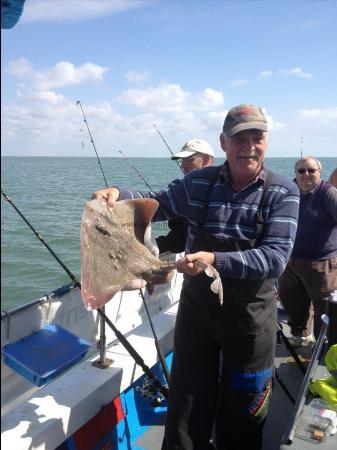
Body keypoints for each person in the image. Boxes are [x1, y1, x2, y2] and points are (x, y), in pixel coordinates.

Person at [92, 104, 300, 450]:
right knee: (186, 410)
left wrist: (214, 259)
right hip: (198, 315)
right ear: (223, 142)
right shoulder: (198, 182)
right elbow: (156, 203)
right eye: (239, 138)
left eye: (257, 137)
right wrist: (120, 194)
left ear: (267, 141)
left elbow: (274, 259)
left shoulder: (282, 192)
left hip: (250, 320)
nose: (249, 145)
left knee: (244, 413)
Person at [279, 157, 337, 347]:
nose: (306, 175)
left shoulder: (328, 194)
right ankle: (301, 335)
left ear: (320, 173)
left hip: (322, 263)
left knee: (324, 307)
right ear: (295, 174)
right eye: (301, 171)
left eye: (311, 170)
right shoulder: (289, 192)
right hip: (291, 261)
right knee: (293, 301)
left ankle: (323, 345)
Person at [156, 139, 214, 254]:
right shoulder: (183, 191)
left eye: (188, 160)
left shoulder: (216, 193)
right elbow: (156, 201)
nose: (183, 166)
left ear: (206, 160)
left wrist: (152, 245)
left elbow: (178, 241)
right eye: (182, 161)